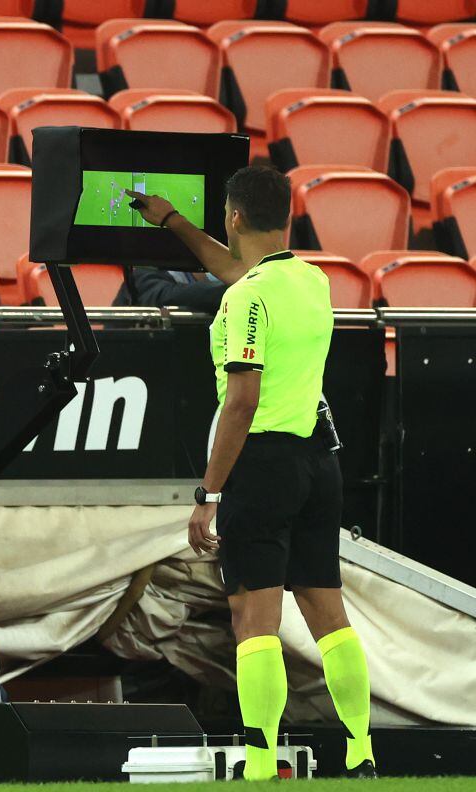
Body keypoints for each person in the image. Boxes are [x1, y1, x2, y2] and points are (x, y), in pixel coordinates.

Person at [128, 168, 376, 781]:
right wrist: (173, 222)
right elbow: (241, 270)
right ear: (286, 219)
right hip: (320, 462)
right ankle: (361, 751)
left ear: (234, 218)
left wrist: (208, 494)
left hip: (261, 467)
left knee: (253, 619)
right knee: (327, 614)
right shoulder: (312, 282)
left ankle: (262, 761)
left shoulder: (245, 301)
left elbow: (240, 402)